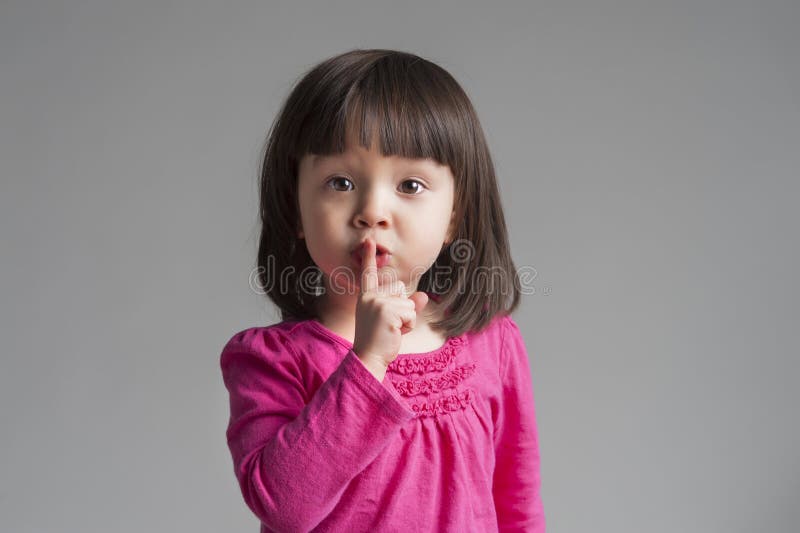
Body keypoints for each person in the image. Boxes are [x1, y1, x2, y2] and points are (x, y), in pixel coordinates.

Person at [220, 48, 546, 532]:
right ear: (296, 209)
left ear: (454, 215)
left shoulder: (493, 344)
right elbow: (284, 507)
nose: (372, 211)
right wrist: (367, 364)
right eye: (340, 182)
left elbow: (517, 504)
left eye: (410, 186)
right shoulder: (273, 360)